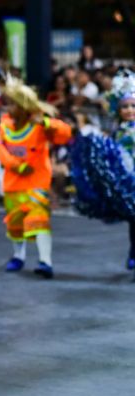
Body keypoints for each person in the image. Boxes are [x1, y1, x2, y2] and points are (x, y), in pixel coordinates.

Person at [0, 75, 72, 279]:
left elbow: (65, 134)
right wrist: (17, 166)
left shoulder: (39, 125)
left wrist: (47, 122)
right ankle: (18, 256)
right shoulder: (4, 125)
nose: (8, 107)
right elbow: (0, 150)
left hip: (37, 182)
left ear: (23, 106)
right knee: (15, 223)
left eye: (12, 104)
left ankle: (45, 261)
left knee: (39, 219)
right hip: (12, 183)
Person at [71, 69, 135, 278]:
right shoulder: (118, 131)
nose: (129, 110)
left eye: (133, 106)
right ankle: (133, 251)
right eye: (125, 107)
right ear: (118, 109)